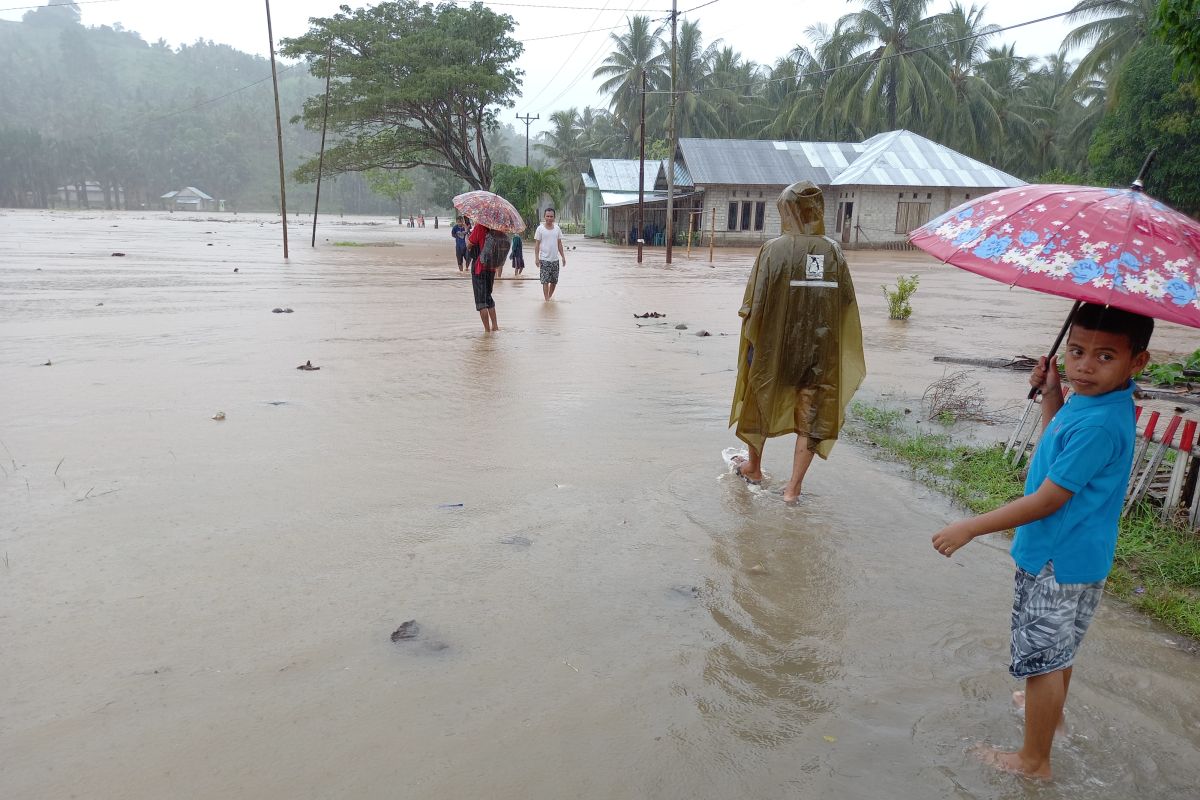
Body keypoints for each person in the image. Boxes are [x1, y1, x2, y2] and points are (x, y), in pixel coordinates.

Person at [930, 303, 1153, 780]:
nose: (1085, 366)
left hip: (1055, 557)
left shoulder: (1096, 422)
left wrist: (970, 526)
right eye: (1076, 351)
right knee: (1060, 651)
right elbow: (1060, 441)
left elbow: (1050, 498)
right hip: (1081, 556)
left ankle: (1033, 761)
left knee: (1040, 662)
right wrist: (1054, 394)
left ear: (1138, 362)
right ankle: (1053, 720)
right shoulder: (1100, 404)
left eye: (1105, 356)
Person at [728, 181, 865, 503]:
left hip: (774, 351)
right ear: (817, 210)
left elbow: (753, 304)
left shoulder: (773, 249)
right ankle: (792, 489)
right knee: (813, 415)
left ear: (787, 211)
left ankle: (754, 468)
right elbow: (845, 303)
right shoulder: (833, 251)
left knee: (759, 401)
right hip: (820, 353)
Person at [468, 222, 508, 332]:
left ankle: (487, 332)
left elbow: (469, 244)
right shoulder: (500, 228)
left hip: (479, 268)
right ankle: (495, 327)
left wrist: (469, 236)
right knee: (488, 297)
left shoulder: (480, 226)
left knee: (481, 303)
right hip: (492, 269)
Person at [534, 207, 567, 301]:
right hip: (544, 259)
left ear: (554, 218)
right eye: (547, 216)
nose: (549, 218)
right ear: (544, 217)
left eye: (551, 216)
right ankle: (547, 300)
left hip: (555, 260)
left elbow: (559, 243)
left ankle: (549, 297)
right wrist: (536, 258)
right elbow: (537, 245)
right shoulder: (540, 229)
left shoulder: (557, 229)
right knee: (545, 281)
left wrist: (563, 257)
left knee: (554, 282)